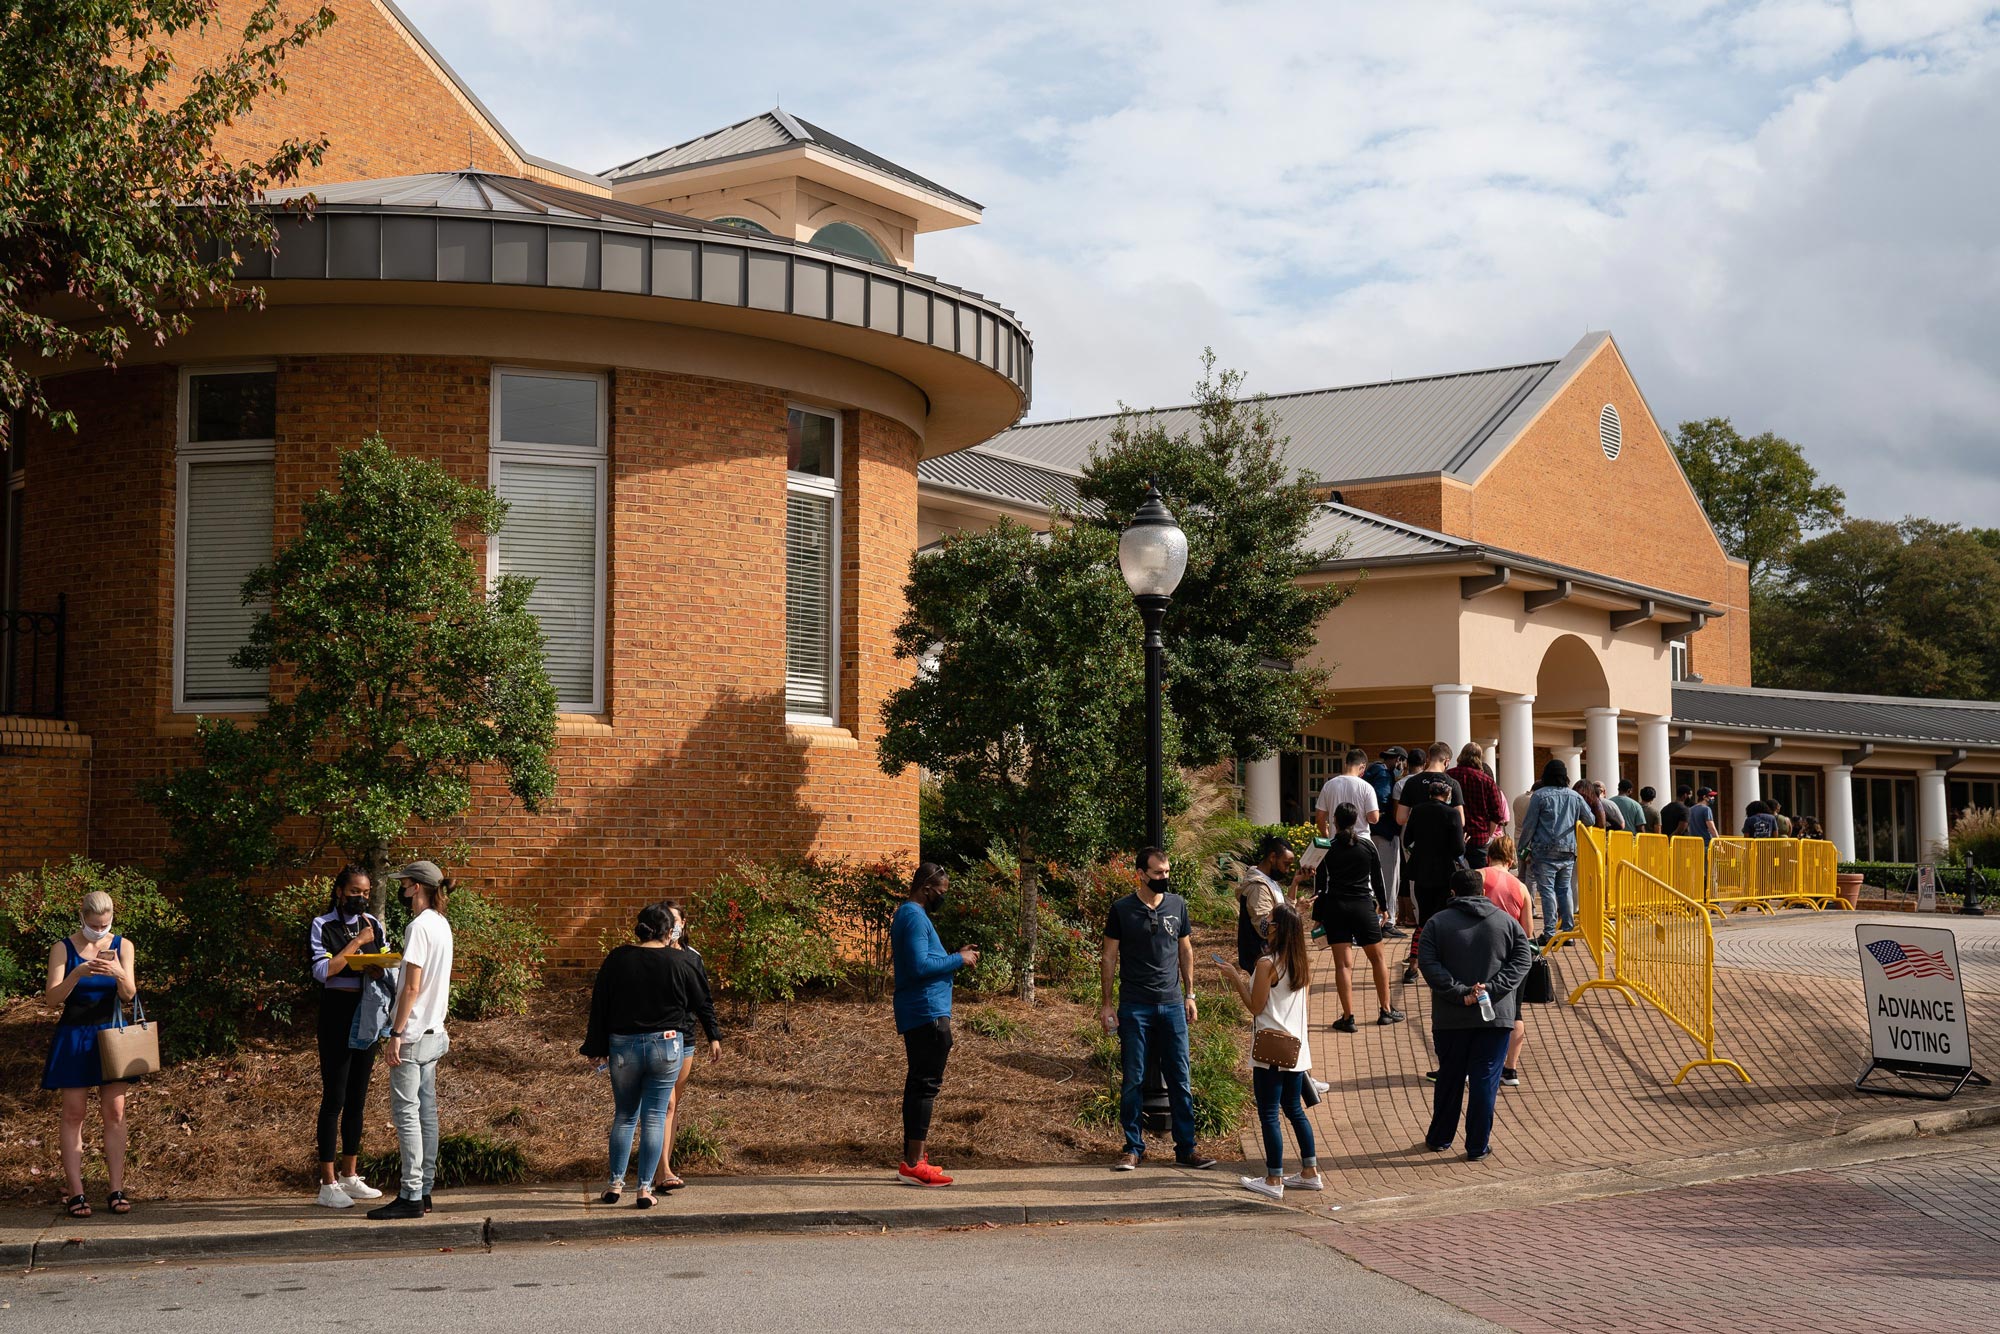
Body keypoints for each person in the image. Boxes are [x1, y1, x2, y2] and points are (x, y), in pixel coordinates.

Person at [580, 901, 719, 1207]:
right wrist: (714, 1036)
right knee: (655, 1116)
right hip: (667, 1043)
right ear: (669, 929)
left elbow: (600, 1004)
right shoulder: (679, 961)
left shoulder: (617, 958)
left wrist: (595, 1047)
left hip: (623, 1044)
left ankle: (615, 1185)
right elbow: (701, 1001)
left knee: (625, 1115)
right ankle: (645, 1189)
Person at [1102, 847, 1214, 1172]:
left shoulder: (1178, 905)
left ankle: (1187, 1149)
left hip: (1172, 1004)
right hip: (1135, 1006)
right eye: (1158, 874)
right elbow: (1109, 957)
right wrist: (1107, 1004)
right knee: (1134, 1079)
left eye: (1166, 872)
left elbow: (1186, 949)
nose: (1164, 878)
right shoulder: (1122, 909)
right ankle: (1133, 1148)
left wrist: (1190, 995)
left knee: (1180, 1078)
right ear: (1141, 874)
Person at [1420, 868, 1533, 1161]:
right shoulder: (1506, 923)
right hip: (1495, 1018)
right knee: (1485, 1079)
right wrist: (1491, 990)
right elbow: (1523, 960)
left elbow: (1428, 965)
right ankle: (1477, 1146)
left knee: (1450, 1077)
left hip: (1450, 1018)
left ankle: (1440, 1137)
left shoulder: (1437, 923)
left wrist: (1460, 993)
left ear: (1453, 893)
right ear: (1482, 892)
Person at [41, 888, 138, 1219]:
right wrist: (77, 973)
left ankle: (116, 1188)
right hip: (74, 1034)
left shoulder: (123, 945)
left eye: (105, 923)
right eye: (94, 924)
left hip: (111, 1034)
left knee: (115, 1112)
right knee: (73, 1113)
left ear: (112, 918)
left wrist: (119, 974)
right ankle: (76, 1192)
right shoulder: (62, 948)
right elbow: (51, 999)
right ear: (82, 916)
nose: (100, 929)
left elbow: (129, 995)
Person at [1216, 904, 1322, 1202]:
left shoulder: (1267, 964)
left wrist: (1235, 977)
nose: (1266, 925)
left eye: (1270, 922)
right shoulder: (1300, 962)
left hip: (1271, 1050)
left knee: (1269, 1113)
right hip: (1296, 1050)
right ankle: (1309, 1172)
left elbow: (1255, 1006)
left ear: (1278, 929)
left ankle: (1274, 1177)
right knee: (1295, 1111)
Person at [368, 861, 455, 1221]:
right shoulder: (441, 924)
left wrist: (396, 1033)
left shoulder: (418, 927)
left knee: (407, 1116)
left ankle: (411, 1194)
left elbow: (412, 987)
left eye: (404, 884)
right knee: (426, 1113)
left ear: (416, 887)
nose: (402, 890)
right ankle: (426, 1190)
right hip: (435, 1031)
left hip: (414, 1033)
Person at [889, 864, 979, 1187]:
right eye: (941, 892)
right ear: (926, 888)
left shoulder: (909, 915)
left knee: (918, 1084)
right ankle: (914, 1163)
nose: (943, 897)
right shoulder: (913, 917)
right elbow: (919, 965)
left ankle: (913, 1160)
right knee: (925, 1086)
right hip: (927, 1013)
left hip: (922, 1012)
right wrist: (959, 958)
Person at [308, 865, 390, 1209]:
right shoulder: (322, 925)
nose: (361, 898)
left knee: (358, 1098)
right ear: (340, 891)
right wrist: (357, 944)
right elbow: (322, 971)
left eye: (367, 892)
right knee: (335, 1099)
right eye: (355, 892)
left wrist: (377, 964)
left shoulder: (375, 924)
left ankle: (350, 1175)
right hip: (337, 1017)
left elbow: (386, 963)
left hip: (367, 1014)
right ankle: (327, 1183)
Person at [649, 900, 722, 1193]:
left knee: (672, 1105)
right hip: (654, 1038)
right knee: (664, 1105)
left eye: (676, 920)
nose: (673, 926)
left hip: (685, 1039)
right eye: (668, 921)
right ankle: (661, 1170)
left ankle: (660, 1168)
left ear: (684, 923)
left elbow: (703, 1000)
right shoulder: (651, 955)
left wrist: (713, 1035)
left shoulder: (692, 957)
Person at [1310, 802, 1404, 1030]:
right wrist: (1384, 906)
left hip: (1336, 908)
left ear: (1335, 821)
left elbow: (1320, 887)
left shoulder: (1327, 847)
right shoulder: (1368, 846)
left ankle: (1348, 1017)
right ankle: (1385, 1010)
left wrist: (1318, 916)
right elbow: (1379, 879)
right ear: (1357, 820)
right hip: (1363, 906)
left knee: (1343, 966)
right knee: (1378, 959)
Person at [1398, 762, 1467, 983]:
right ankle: (1445, 963)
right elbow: (1458, 849)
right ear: (1447, 794)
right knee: (1444, 918)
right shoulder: (1452, 815)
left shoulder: (1417, 811)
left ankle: (1413, 964)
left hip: (1421, 872)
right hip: (1444, 873)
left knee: (1424, 918)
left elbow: (1408, 839)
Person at [1518, 761, 1595, 946]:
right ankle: (1567, 931)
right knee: (1564, 889)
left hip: (1544, 851)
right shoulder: (1575, 796)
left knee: (1547, 891)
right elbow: (1590, 819)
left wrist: (1522, 848)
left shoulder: (1539, 796)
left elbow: (1529, 825)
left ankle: (1550, 931)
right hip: (1568, 850)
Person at [1479, 837, 1534, 1088]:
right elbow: (1528, 931)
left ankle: (1477, 1064)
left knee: (1479, 1006)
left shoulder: (1478, 876)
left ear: (1489, 856)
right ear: (1511, 861)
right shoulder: (1521, 887)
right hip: (1512, 954)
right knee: (1515, 1012)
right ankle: (1510, 1069)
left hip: (1482, 951)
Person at [1364, 747, 1409, 937]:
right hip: (1385, 833)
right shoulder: (1384, 775)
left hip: (1372, 832)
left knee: (1375, 879)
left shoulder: (1372, 772)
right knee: (1389, 879)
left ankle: (1377, 919)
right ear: (1400, 760)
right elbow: (1382, 798)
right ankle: (1387, 922)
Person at [1237, 835, 1294, 970]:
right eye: (1286, 864)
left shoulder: (1268, 881)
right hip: (1265, 960)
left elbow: (1281, 910)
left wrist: (1296, 882)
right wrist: (1294, 914)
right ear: (1272, 857)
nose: (1287, 870)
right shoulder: (1258, 887)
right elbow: (1264, 928)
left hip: (1273, 957)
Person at [1448, 743, 1509, 870]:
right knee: (1479, 878)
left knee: (1453, 878)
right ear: (1479, 758)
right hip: (1479, 836)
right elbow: (1497, 813)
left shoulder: (1449, 775)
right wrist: (1489, 834)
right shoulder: (1487, 781)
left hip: (1453, 834)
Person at [1314, 747, 1380, 839]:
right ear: (1363, 766)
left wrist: (1326, 835)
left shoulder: (1328, 785)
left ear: (1345, 765)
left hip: (1337, 842)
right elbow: (1374, 818)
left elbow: (1319, 818)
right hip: (1360, 842)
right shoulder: (1366, 787)